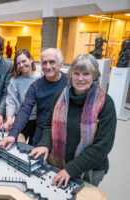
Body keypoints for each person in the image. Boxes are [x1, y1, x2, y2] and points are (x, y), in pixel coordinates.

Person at [29, 54, 116, 188]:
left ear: (94, 76)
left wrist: (72, 169)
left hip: (89, 170)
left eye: (86, 74)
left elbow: (103, 145)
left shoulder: (105, 103)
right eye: (76, 73)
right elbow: (49, 125)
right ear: (70, 75)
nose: (80, 78)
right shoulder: (60, 97)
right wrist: (44, 144)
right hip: (58, 164)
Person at [0, 48, 67, 149]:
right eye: (44, 63)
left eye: (52, 62)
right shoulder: (35, 86)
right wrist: (12, 135)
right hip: (41, 133)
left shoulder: (70, 82)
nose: (48, 66)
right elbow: (25, 110)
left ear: (61, 63)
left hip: (64, 134)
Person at [3, 49, 41, 144]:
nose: (21, 65)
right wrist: (9, 119)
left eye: (24, 61)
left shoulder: (41, 79)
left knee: (34, 148)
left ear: (31, 59)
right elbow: (11, 101)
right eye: (18, 63)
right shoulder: (15, 81)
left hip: (38, 121)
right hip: (22, 120)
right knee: (17, 147)